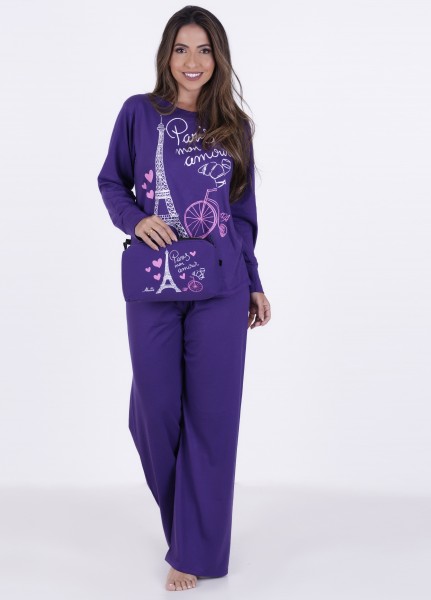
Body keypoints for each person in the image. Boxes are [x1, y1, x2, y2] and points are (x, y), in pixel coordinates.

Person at [97, 5, 271, 591]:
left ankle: (194, 549)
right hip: (155, 283)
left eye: (203, 50)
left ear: (218, 58)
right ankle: (193, 531)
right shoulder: (139, 113)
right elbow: (110, 180)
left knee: (213, 420)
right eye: (181, 48)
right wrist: (135, 218)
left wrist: (254, 280)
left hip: (222, 286)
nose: (192, 61)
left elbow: (241, 216)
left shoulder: (235, 126)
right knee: (154, 412)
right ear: (166, 55)